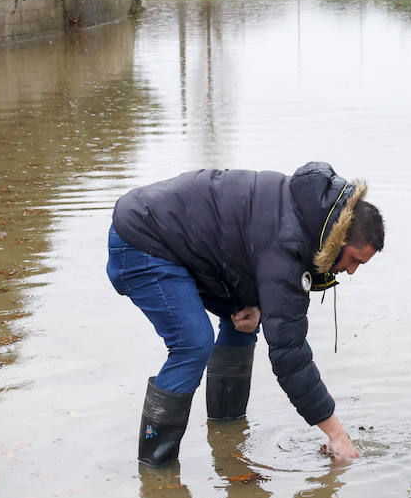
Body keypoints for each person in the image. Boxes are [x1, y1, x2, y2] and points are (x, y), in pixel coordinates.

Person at [105, 161, 383, 467]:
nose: (352, 272)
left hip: (182, 238)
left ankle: (226, 436)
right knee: (193, 345)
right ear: (339, 238)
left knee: (243, 322)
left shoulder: (309, 217)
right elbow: (290, 355)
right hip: (142, 239)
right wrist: (337, 435)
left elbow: (249, 251)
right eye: (355, 260)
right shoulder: (288, 243)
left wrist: (257, 305)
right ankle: (156, 471)